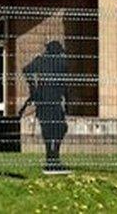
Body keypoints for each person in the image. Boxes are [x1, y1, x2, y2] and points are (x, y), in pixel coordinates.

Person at [20, 41, 69, 174]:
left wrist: (33, 88)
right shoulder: (61, 63)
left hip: (45, 99)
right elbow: (66, 85)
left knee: (54, 129)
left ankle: (52, 157)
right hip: (51, 100)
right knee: (57, 128)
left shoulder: (42, 60)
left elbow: (27, 70)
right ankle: (53, 158)